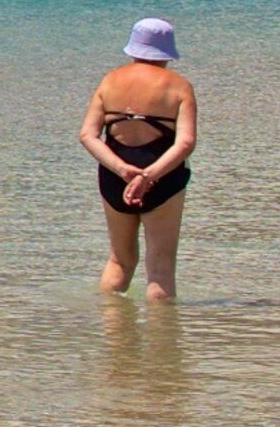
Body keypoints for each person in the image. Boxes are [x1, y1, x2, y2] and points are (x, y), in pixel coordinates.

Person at [82, 18, 198, 301]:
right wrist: (148, 176)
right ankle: (163, 342)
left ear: (134, 46)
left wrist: (122, 170)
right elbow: (185, 143)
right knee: (160, 266)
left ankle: (115, 339)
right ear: (167, 51)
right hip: (164, 177)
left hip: (114, 176)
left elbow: (87, 135)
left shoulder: (110, 81)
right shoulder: (180, 87)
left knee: (119, 261)